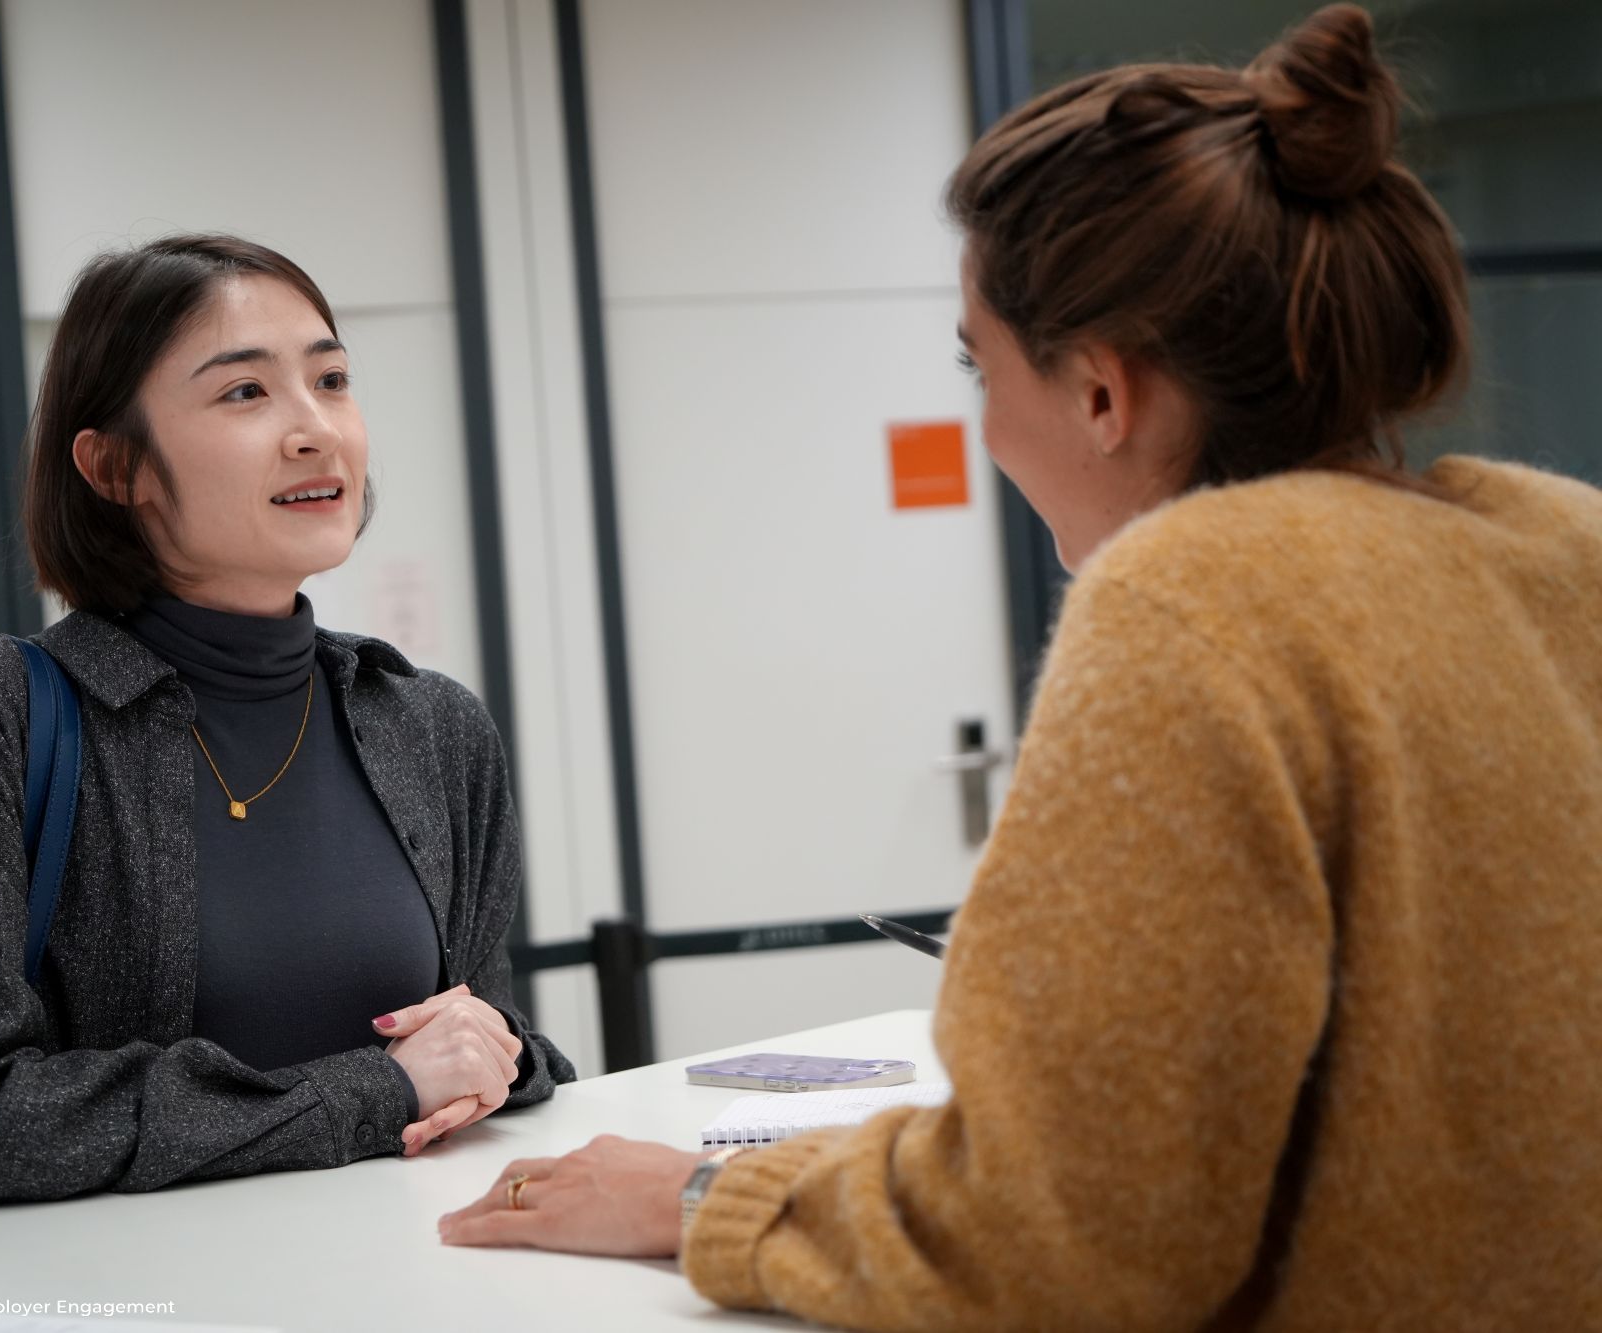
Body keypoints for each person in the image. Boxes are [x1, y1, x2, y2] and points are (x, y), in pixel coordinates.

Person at [439, 7, 1602, 1328]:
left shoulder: (1193, 598)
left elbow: (1058, 1238)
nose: (981, 419)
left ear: (1100, 393)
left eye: (975, 364)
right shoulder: (1559, 545)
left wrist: (707, 1198)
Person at [0, 234, 573, 1216]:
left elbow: (480, 1045)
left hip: (404, 1273)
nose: (316, 430)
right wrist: (374, 1089)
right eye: (245, 392)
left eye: (331, 380)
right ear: (115, 466)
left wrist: (497, 1057)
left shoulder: (429, 725)